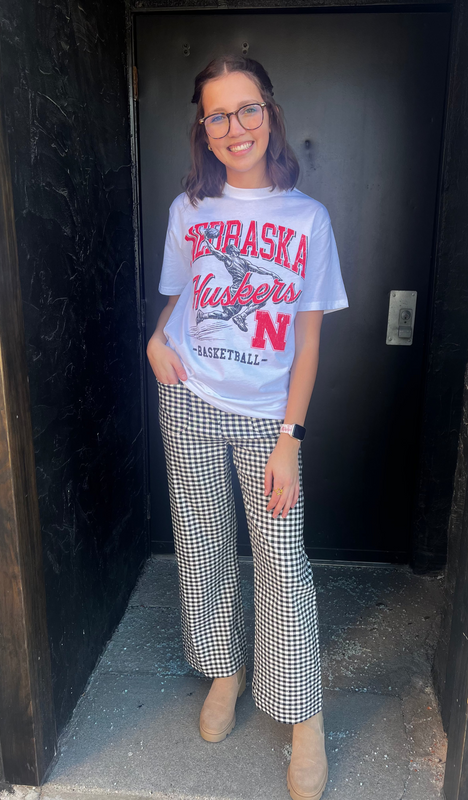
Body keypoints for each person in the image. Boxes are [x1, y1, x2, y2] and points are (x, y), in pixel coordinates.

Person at [146, 54, 348, 800]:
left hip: (269, 419)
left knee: (280, 565)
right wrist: (155, 338)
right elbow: (180, 297)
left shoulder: (307, 219)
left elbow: (308, 338)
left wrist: (290, 438)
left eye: (247, 109)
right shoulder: (189, 210)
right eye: (218, 115)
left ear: (270, 112)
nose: (235, 127)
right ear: (203, 128)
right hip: (190, 400)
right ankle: (225, 675)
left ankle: (304, 720)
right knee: (202, 547)